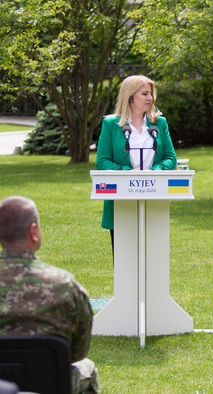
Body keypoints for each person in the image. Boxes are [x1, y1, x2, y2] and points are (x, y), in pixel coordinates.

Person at [0, 196, 99, 394]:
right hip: (51, 383)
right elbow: (78, 352)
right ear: (33, 231)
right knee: (87, 367)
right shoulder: (65, 285)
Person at [96, 75, 177, 253]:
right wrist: (130, 172)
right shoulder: (111, 124)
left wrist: (152, 171)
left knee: (153, 258)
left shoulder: (159, 123)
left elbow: (171, 158)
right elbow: (102, 162)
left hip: (154, 199)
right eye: (145, 94)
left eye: (151, 94)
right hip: (121, 203)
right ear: (130, 97)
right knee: (125, 262)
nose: (151, 98)